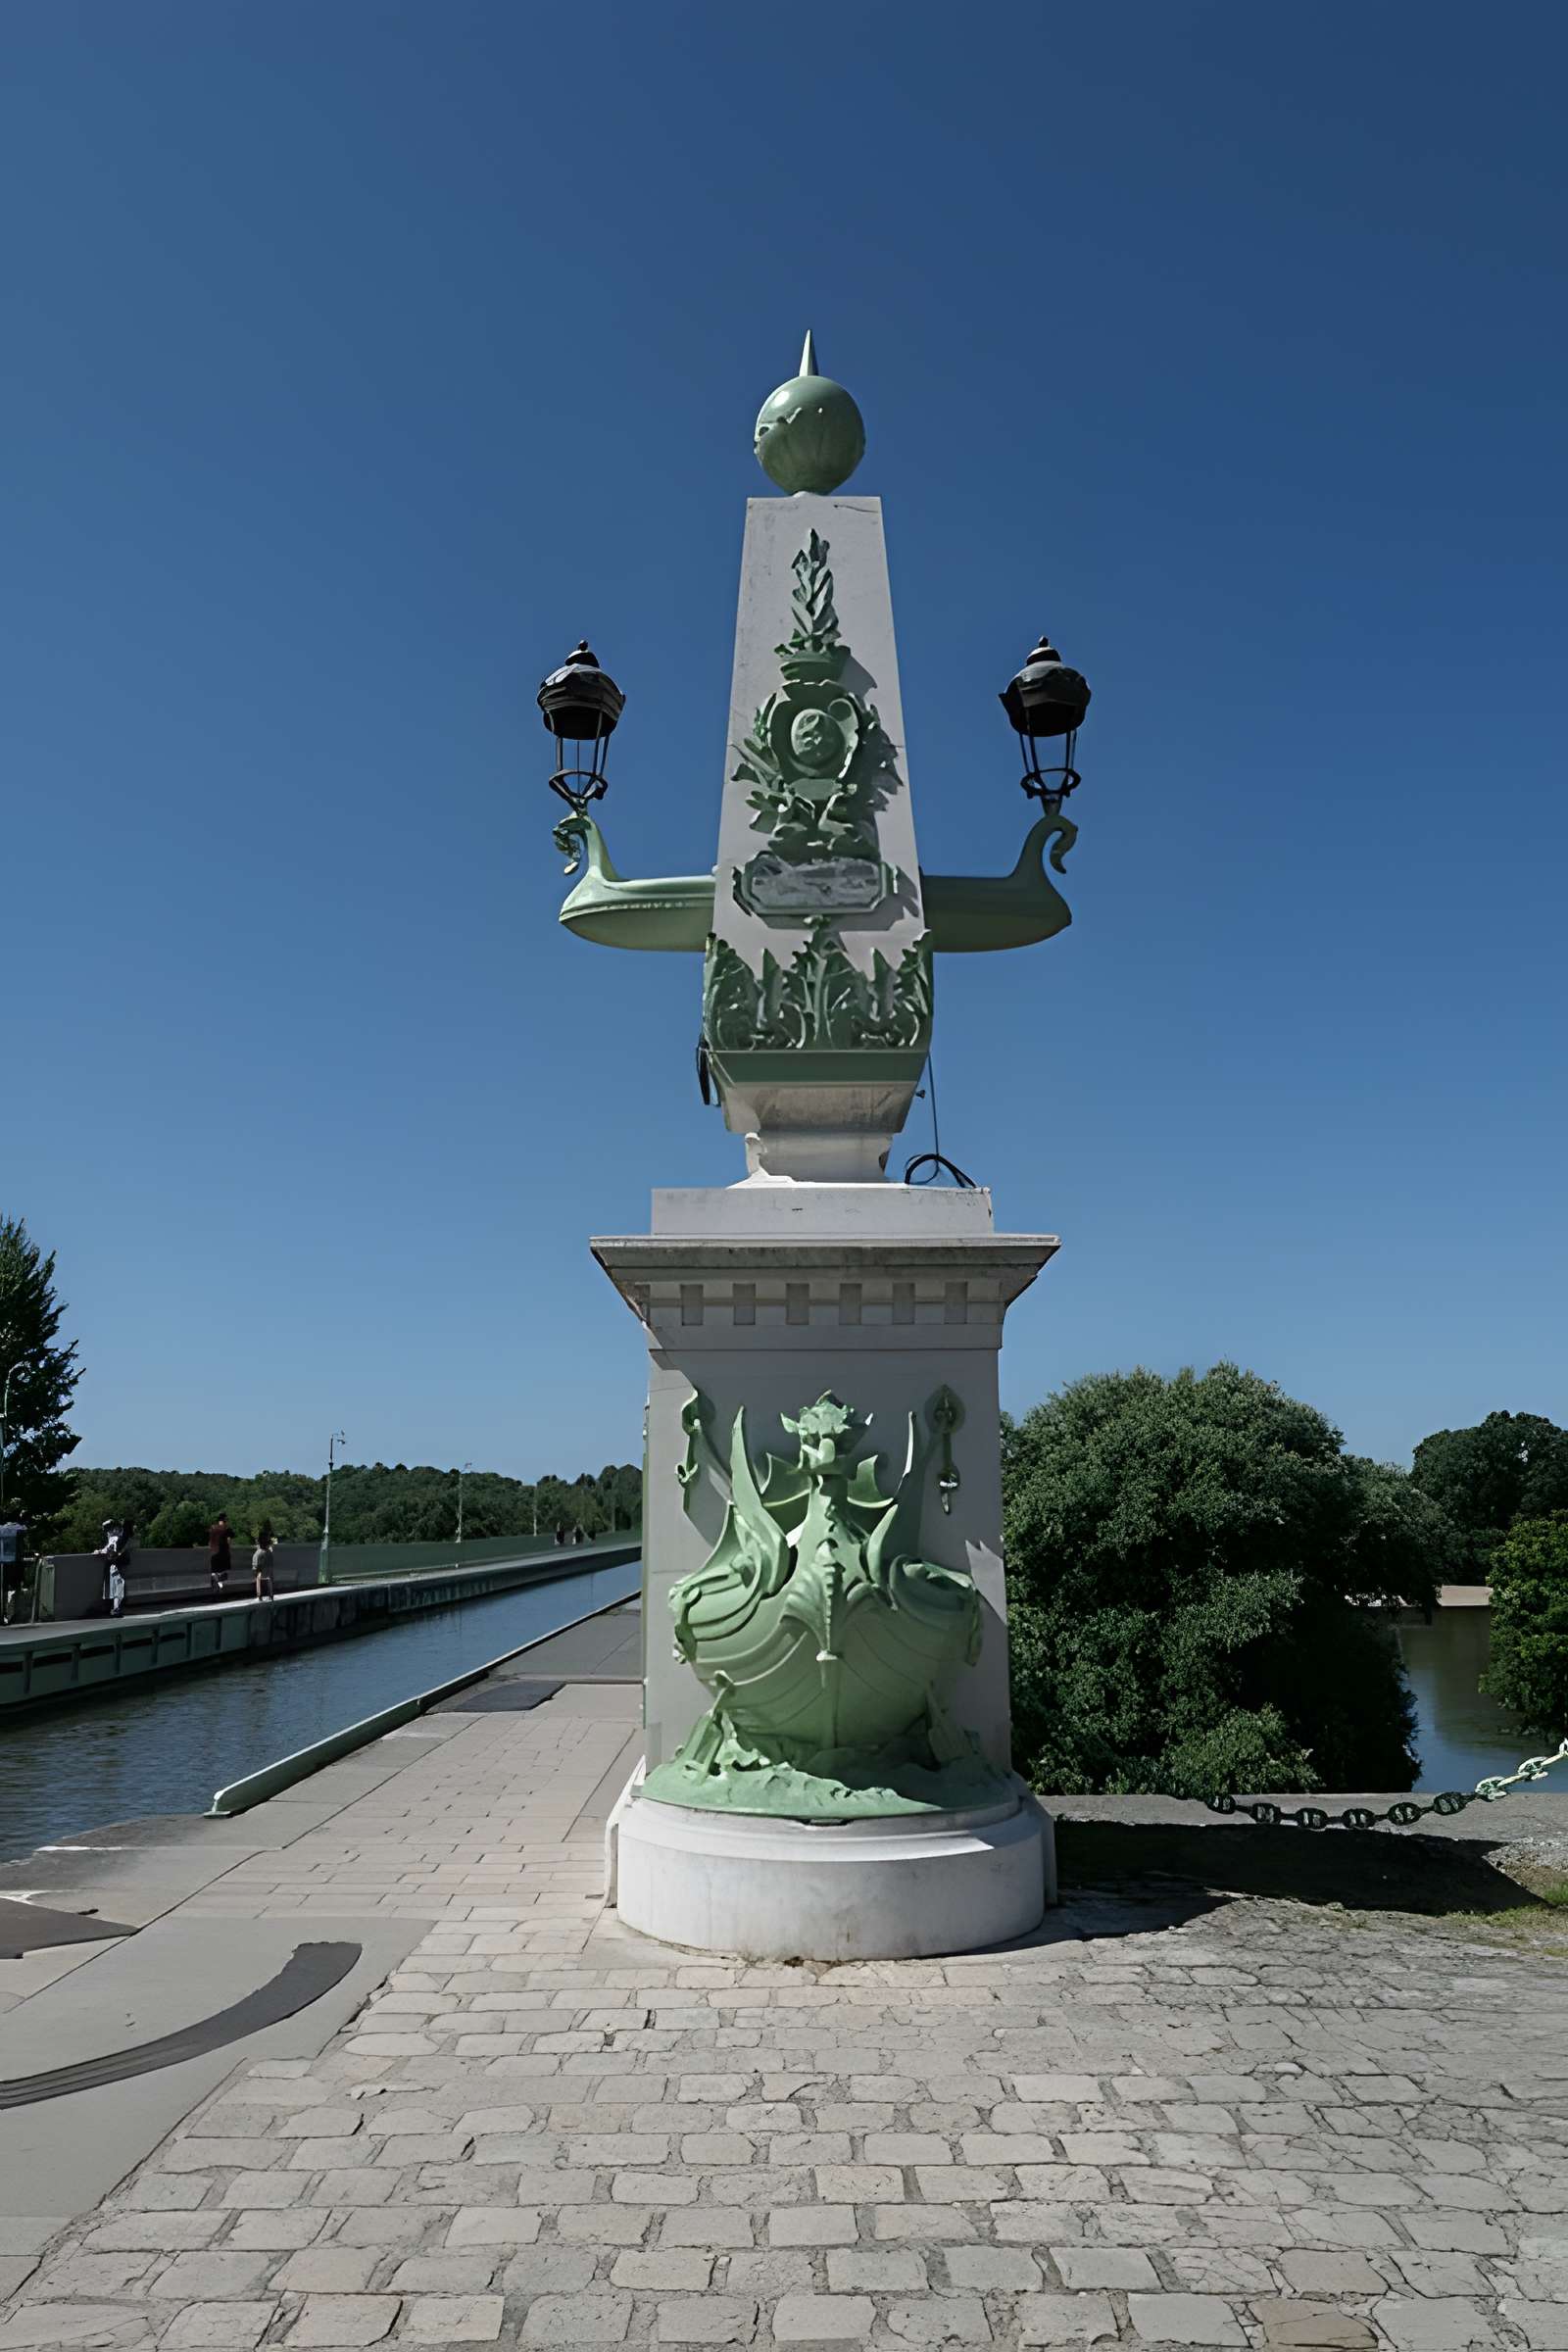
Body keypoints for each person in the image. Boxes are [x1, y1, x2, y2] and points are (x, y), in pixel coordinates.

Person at [97, 1516, 132, 1617]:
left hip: (113, 1566)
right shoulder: (115, 1538)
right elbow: (110, 1549)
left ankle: (115, 1608)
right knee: (118, 1585)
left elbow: (109, 1549)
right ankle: (116, 1608)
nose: (107, 1533)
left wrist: (100, 1551)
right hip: (115, 1566)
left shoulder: (113, 1539)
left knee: (117, 1586)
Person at [0, 1505, 26, 1624]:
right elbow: (24, 1530)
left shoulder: (1, 1529)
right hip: (16, 1562)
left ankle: (2, 1614)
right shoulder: (20, 1528)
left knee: (3, 1589)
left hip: (2, 1562)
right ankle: (15, 1614)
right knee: (17, 1588)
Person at [208, 1511, 231, 1598]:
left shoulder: (213, 1528)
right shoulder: (227, 1529)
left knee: (214, 1571)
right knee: (223, 1572)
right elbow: (229, 1541)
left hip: (214, 1552)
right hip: (223, 1553)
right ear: (225, 1521)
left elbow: (210, 1541)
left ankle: (216, 1586)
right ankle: (219, 1583)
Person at [253, 1520, 276, 1599]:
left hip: (262, 1553)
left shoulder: (262, 1534)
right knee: (270, 1576)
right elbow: (273, 1543)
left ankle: (259, 1596)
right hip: (269, 1554)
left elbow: (258, 1542)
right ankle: (271, 1595)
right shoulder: (271, 1534)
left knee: (258, 1575)